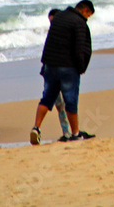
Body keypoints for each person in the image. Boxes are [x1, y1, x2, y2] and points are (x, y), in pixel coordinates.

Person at [30, 0, 96, 144]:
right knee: (70, 100)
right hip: (67, 67)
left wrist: (45, 64)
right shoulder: (79, 23)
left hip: (50, 65)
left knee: (46, 99)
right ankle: (75, 133)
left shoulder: (59, 17)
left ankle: (36, 128)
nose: (87, 19)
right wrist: (81, 67)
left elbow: (49, 41)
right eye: (88, 15)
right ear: (85, 11)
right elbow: (79, 48)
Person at [45, 9, 72, 142]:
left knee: (67, 103)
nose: (52, 24)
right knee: (59, 105)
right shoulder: (52, 34)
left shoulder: (64, 34)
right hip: (52, 74)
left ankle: (72, 132)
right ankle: (67, 132)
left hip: (64, 72)